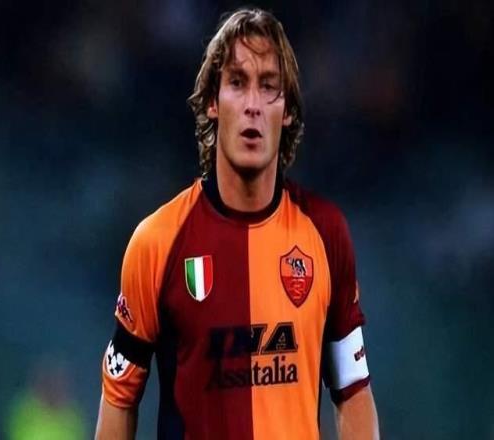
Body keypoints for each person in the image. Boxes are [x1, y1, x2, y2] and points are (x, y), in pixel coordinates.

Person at [95, 7, 379, 440]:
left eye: (268, 86)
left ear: (287, 110)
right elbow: (119, 398)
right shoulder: (157, 242)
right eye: (237, 82)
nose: (252, 105)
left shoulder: (325, 233)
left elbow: (353, 389)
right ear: (213, 101)